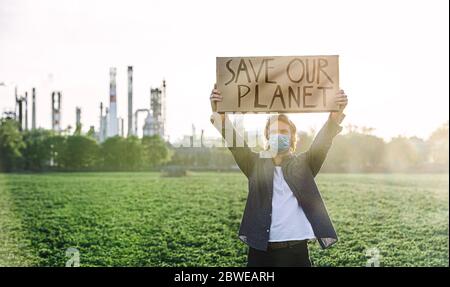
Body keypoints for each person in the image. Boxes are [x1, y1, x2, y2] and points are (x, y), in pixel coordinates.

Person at [209, 84, 348, 267]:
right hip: (261, 253)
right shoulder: (254, 164)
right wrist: (220, 114)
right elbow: (235, 143)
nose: (278, 135)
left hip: (296, 253)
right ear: (267, 136)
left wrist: (335, 115)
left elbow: (322, 143)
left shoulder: (305, 164)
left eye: (283, 132)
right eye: (273, 132)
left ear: (292, 137)